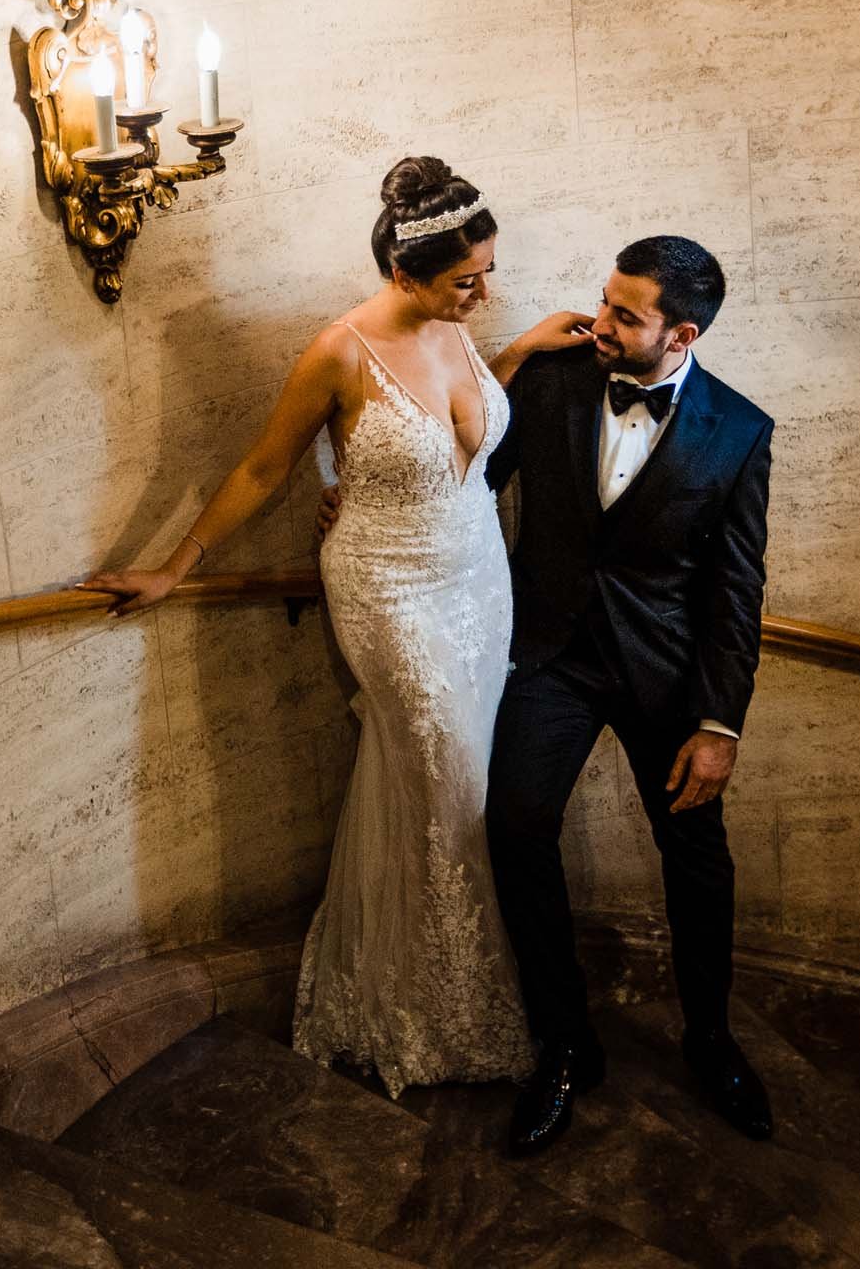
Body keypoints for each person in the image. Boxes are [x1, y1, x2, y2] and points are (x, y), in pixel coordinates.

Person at [80, 156, 593, 1100]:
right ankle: (437, 1009)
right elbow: (262, 469)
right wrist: (174, 566)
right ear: (404, 274)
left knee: (464, 777)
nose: (482, 294)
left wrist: (517, 352)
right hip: (387, 586)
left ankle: (432, 975)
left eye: (488, 272)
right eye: (465, 280)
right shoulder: (339, 352)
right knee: (446, 769)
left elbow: (464, 427)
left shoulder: (457, 329)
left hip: (479, 577)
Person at [482, 235, 776, 1156]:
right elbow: (467, 479)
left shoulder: (741, 430)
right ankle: (565, 1042)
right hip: (551, 657)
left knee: (698, 858)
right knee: (515, 826)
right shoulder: (552, 380)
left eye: (624, 314)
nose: (599, 322)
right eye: (604, 299)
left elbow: (735, 590)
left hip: (666, 676)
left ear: (682, 334)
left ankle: (711, 1040)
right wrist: (372, 505)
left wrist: (719, 725)